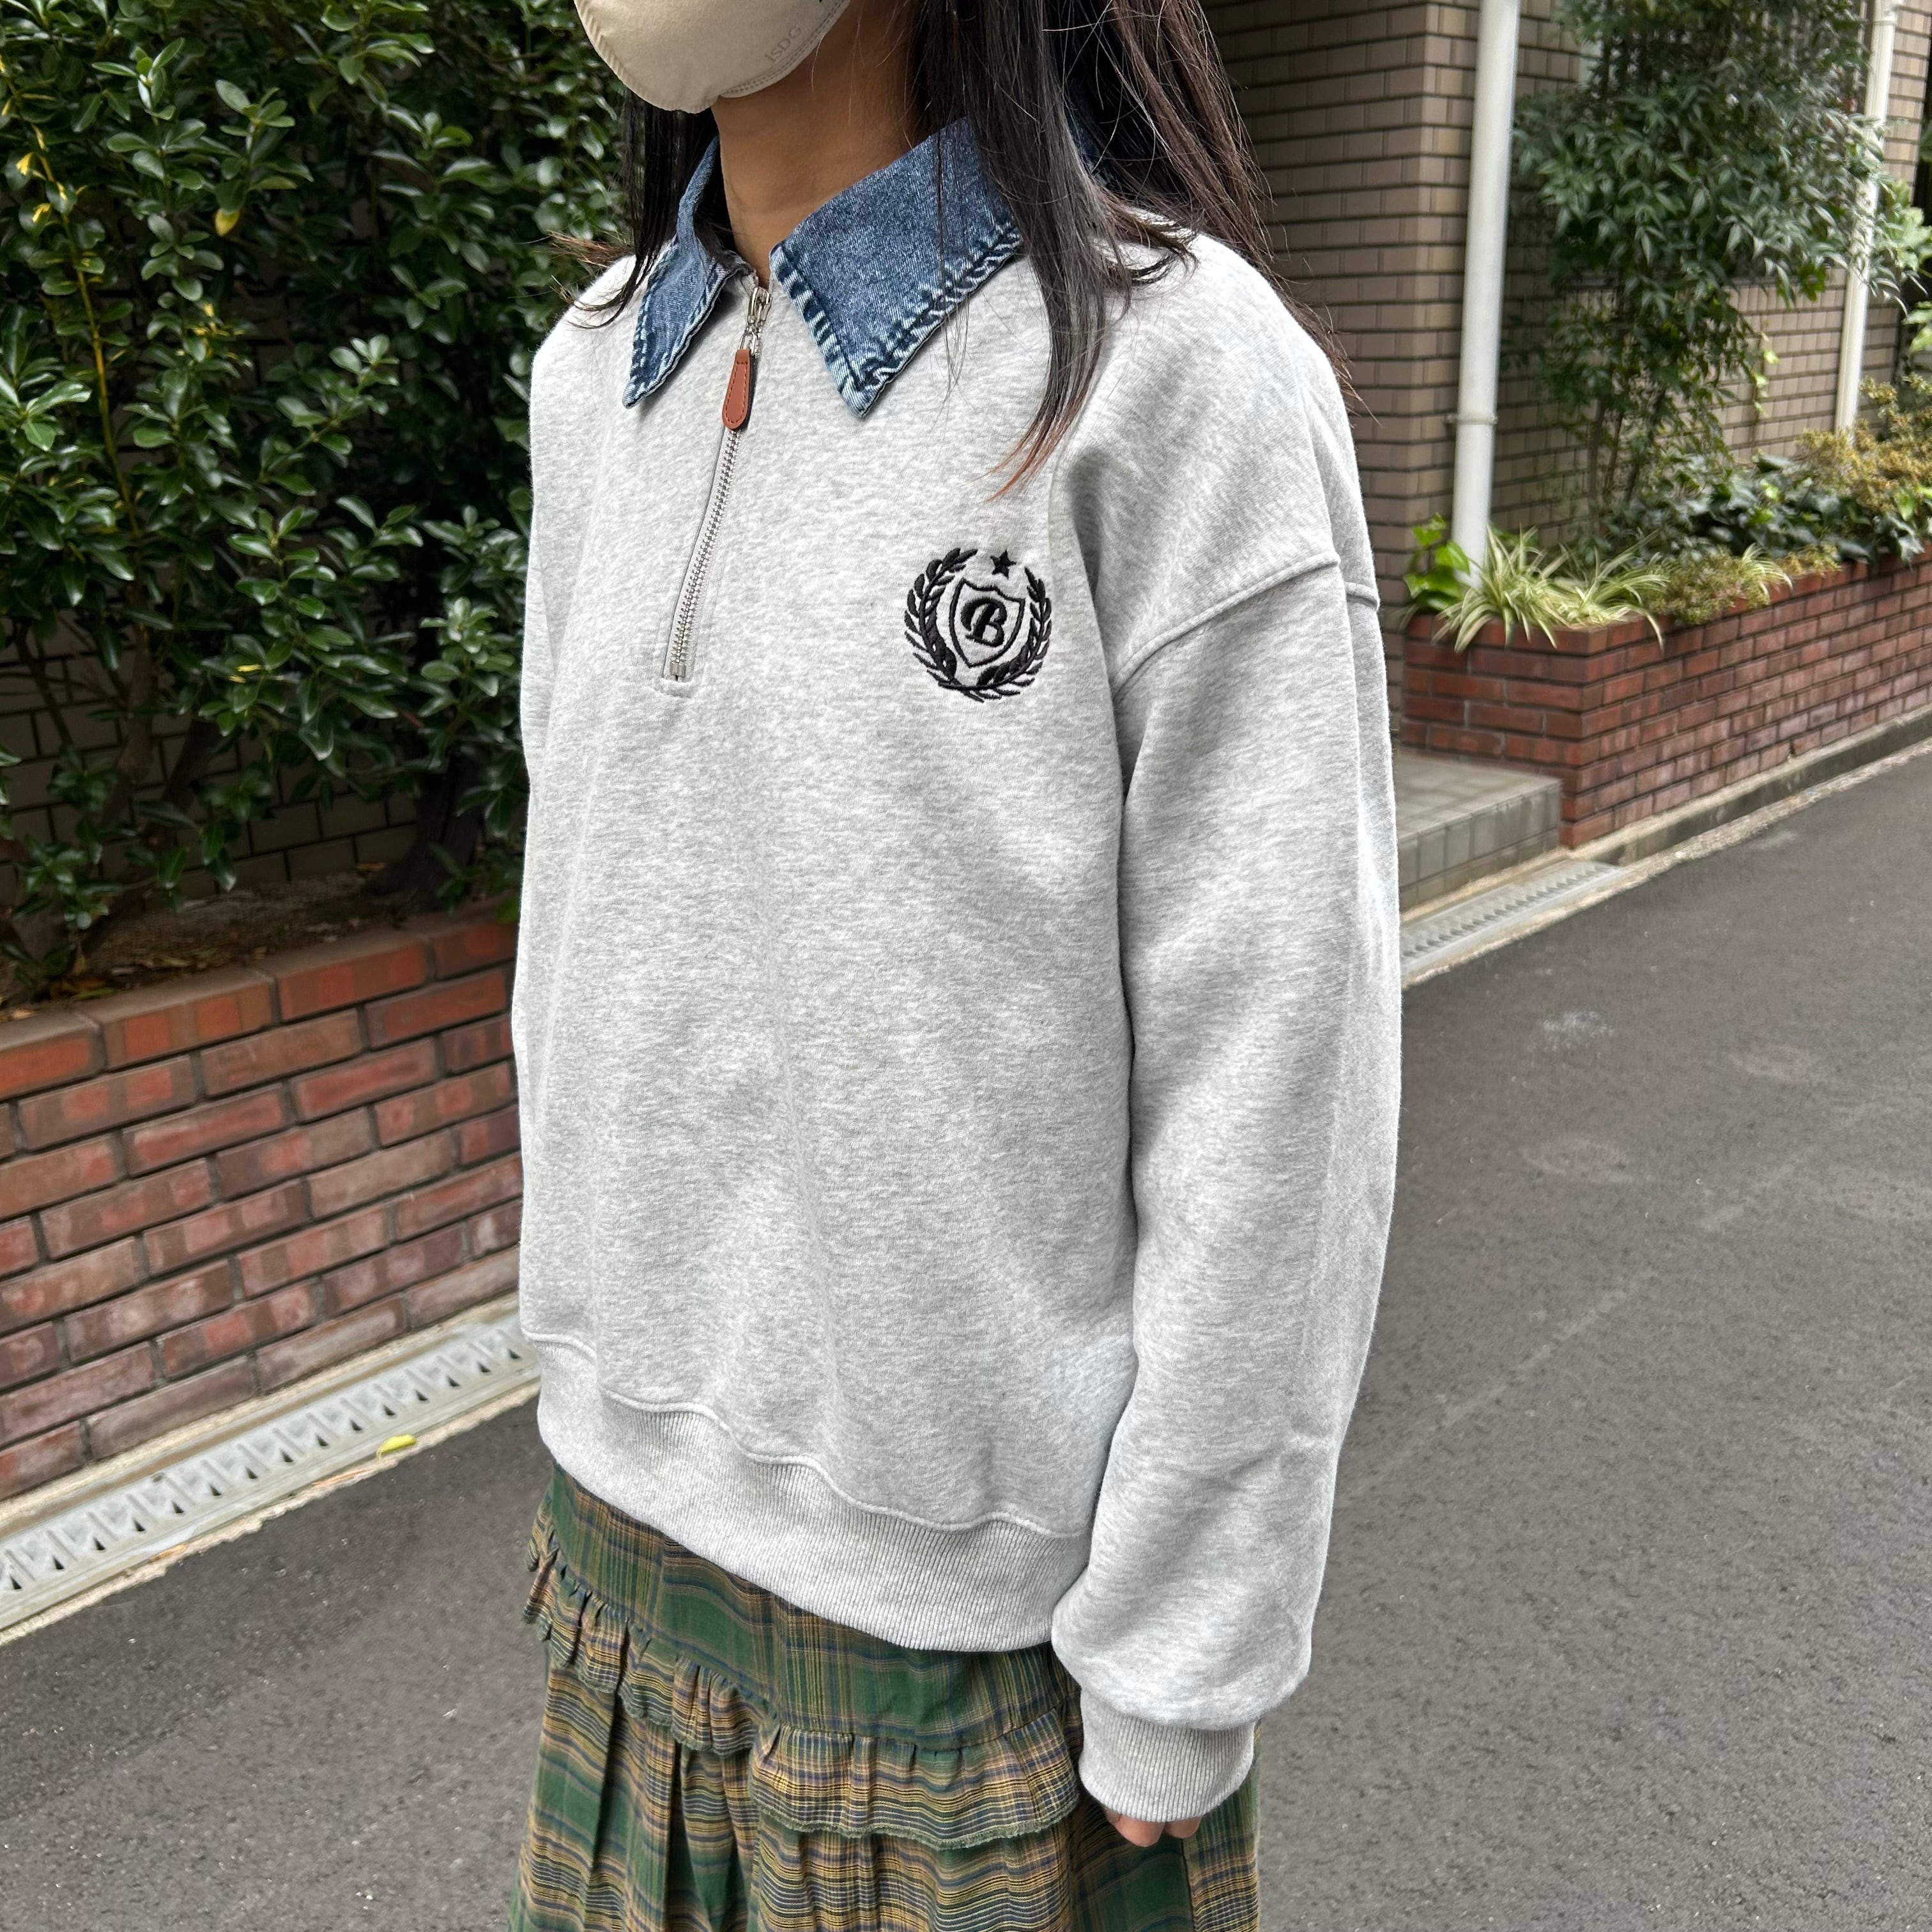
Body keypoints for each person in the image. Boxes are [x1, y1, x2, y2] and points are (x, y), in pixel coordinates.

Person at [507, 0, 1401, 1925]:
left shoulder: (1172, 374)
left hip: (977, 1673)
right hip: (616, 1568)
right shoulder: (588, 381)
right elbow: (578, 930)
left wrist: (1183, 1645)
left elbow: (1280, 1083)